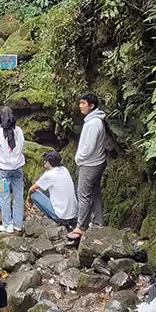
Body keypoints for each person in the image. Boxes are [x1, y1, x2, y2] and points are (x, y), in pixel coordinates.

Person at [68, 92, 107, 240]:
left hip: (90, 164)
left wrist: (78, 158)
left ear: (91, 106)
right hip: (98, 161)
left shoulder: (93, 123)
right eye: (80, 103)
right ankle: (98, 222)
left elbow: (88, 147)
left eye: (83, 103)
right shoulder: (95, 120)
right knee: (95, 193)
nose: (80, 106)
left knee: (83, 195)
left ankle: (81, 227)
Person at [0, 106, 25, 233]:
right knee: (18, 195)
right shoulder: (19, 131)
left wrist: (0, 159)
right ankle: (18, 223)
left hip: (1, 169)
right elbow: (22, 146)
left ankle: (7, 224)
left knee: (3, 195)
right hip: (18, 168)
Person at [28, 150, 77, 227]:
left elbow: (31, 189)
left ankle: (56, 219)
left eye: (45, 160)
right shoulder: (64, 169)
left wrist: (29, 200)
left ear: (48, 162)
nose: (44, 162)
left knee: (34, 194)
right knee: (48, 189)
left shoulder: (49, 175)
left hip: (60, 216)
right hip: (72, 214)